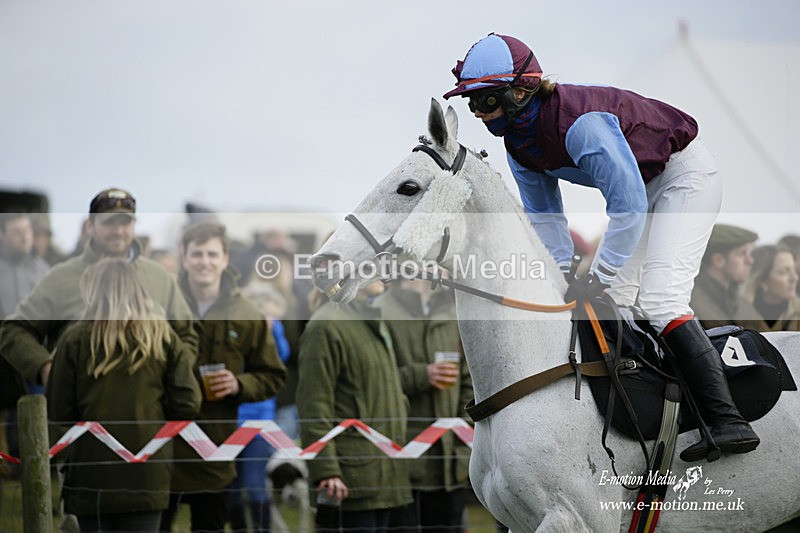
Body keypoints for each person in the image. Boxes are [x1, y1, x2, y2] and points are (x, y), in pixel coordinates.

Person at [443, 33, 757, 462]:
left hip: (685, 178)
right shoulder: (518, 143)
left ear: (521, 90)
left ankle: (728, 420)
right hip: (646, 189)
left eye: (487, 101)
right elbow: (546, 219)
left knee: (662, 298)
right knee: (619, 302)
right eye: (472, 104)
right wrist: (565, 277)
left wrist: (599, 274)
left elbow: (625, 205)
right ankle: (657, 413)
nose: (479, 113)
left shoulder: (582, 123)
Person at [47, 258, 201, 533]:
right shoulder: (163, 335)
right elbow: (188, 402)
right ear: (138, 289)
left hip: (91, 471)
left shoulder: (74, 340)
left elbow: (58, 411)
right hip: (147, 468)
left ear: (93, 291)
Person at [0, 188, 198, 387]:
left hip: (148, 410)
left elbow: (188, 335)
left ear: (134, 225)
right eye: (109, 223)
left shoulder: (160, 278)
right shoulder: (60, 279)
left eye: (125, 222)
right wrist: (44, 367)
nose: (118, 231)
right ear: (90, 226)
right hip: (79, 409)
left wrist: (174, 375)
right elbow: (13, 331)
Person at [160, 222, 286, 533]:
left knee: (210, 527)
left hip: (216, 448)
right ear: (183, 256)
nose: (205, 261)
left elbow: (272, 375)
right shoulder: (160, 307)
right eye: (197, 254)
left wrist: (239, 383)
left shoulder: (247, 313)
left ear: (226, 258)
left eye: (212, 254)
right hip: (162, 448)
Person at [297, 282, 412, 532]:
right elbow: (313, 407)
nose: (382, 270)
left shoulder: (372, 320)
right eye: (372, 262)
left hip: (384, 477)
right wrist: (326, 471)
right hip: (348, 483)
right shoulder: (325, 325)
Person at [375, 280, 472, 533]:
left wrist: (464, 431)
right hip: (402, 456)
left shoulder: (453, 309)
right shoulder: (381, 311)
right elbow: (371, 382)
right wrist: (420, 376)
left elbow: (468, 378)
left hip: (449, 461)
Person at [228, 282, 292, 533]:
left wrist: (273, 330)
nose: (270, 321)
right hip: (233, 421)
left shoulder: (275, 334)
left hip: (260, 426)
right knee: (232, 487)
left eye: (275, 317)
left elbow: (281, 357)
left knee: (255, 484)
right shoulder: (237, 333)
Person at [690, 224, 761, 330]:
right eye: (742, 254)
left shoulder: (742, 303)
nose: (750, 261)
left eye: (750, 254)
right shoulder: (691, 303)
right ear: (718, 260)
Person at [0, 212, 50, 317]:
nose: (24, 237)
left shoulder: (43, 270)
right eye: (16, 232)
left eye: (27, 230)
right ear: (2, 235)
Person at [743, 245, 800, 332]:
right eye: (784, 272)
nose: (794, 278)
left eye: (794, 270)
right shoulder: (738, 312)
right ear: (762, 280)